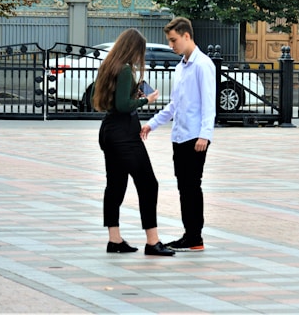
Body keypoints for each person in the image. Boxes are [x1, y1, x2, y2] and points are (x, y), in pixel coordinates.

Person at [92, 28, 175, 256]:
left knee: (115, 186)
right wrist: (145, 100)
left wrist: (131, 97)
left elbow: (100, 100)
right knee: (148, 184)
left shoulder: (108, 67)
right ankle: (152, 241)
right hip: (124, 134)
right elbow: (123, 106)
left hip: (109, 131)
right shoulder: (126, 69)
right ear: (133, 49)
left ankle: (114, 239)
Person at [140, 17, 216, 252]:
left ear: (186, 36)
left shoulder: (203, 65)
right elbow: (174, 105)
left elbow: (209, 104)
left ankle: (195, 237)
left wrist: (205, 135)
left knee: (192, 186)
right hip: (180, 136)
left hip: (195, 138)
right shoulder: (181, 66)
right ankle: (190, 234)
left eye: (173, 40)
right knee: (184, 187)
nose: (171, 45)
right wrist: (152, 124)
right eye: (169, 41)